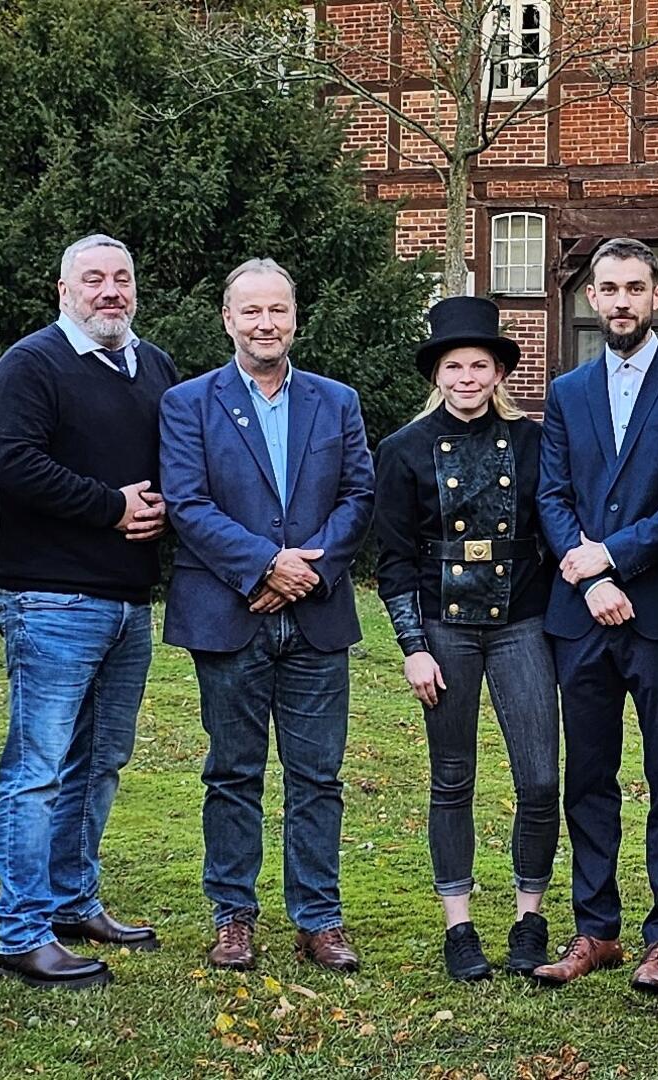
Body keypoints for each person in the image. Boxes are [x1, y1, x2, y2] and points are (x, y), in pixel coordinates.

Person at [160, 258, 375, 974]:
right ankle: (234, 917)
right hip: (230, 612)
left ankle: (319, 918)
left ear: (294, 317)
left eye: (277, 310)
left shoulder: (335, 401)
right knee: (233, 772)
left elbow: (358, 495)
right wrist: (263, 565)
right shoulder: (189, 403)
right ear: (228, 319)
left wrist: (302, 573)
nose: (265, 323)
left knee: (318, 775)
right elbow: (187, 503)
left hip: (315, 614)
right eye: (250, 311)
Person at [0, 234, 179, 989]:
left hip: (129, 601)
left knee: (100, 762)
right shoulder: (31, 364)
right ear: (63, 290)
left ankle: (71, 899)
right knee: (37, 770)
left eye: (122, 278)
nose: (109, 291)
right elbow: (15, 464)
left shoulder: (151, 364)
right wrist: (111, 507)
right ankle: (21, 930)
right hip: (52, 598)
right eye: (92, 279)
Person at [533, 238, 658, 993]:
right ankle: (594, 928)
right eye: (607, 288)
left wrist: (614, 561)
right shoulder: (567, 390)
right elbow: (551, 498)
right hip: (580, 620)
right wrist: (586, 583)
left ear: (657, 294)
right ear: (590, 298)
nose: (619, 301)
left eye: (633, 288)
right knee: (589, 776)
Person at [374, 297, 559, 981]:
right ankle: (459, 926)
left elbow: (551, 526)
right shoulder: (402, 451)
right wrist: (412, 645)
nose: (468, 377)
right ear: (438, 373)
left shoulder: (535, 443)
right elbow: (391, 559)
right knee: (452, 778)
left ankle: (529, 915)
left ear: (498, 371)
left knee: (540, 777)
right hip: (444, 629)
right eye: (455, 366)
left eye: (479, 364)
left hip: (523, 622)